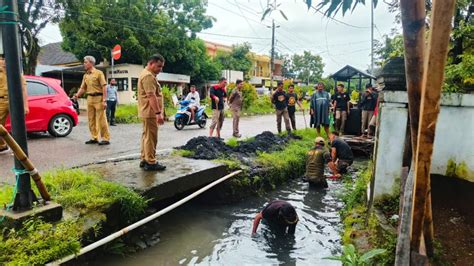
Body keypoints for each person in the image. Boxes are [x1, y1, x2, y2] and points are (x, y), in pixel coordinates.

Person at [137, 54, 166, 171]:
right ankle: (150, 161)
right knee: (151, 137)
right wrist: (158, 113)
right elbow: (151, 95)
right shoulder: (148, 76)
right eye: (159, 66)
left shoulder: (145, 74)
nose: (160, 69)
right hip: (150, 112)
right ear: (151, 63)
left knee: (146, 136)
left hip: (147, 111)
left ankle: (145, 159)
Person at [73, 56, 110, 145]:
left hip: (99, 98)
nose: (84, 64)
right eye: (84, 62)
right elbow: (83, 88)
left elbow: (104, 87)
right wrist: (77, 95)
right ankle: (94, 137)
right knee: (91, 119)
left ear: (91, 63)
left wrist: (104, 100)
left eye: (85, 62)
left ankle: (105, 138)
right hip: (89, 98)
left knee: (102, 119)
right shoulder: (85, 75)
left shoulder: (99, 73)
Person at [0, 56, 29, 153]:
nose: (4, 61)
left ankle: (21, 150)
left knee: (18, 126)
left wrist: (25, 105)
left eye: (5, 58)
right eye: (1, 59)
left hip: (15, 101)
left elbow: (23, 89)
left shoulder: (15, 71)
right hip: (1, 101)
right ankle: (2, 146)